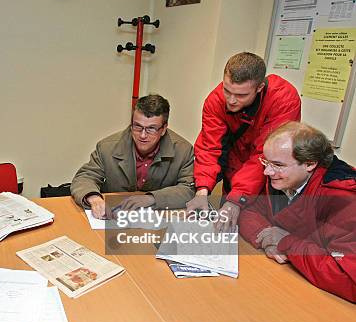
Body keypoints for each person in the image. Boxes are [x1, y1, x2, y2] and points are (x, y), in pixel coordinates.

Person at [239, 122, 355, 302]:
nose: (267, 171)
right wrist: (268, 239)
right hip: (290, 281)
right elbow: (247, 211)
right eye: (266, 161)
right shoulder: (284, 178)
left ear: (309, 164)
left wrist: (286, 242)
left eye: (277, 164)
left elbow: (347, 279)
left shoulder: (343, 200)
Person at [186, 52, 301, 231]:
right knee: (227, 231)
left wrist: (236, 200)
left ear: (259, 87)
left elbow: (265, 156)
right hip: (234, 176)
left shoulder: (284, 100)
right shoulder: (216, 100)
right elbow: (209, 147)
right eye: (227, 90)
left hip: (269, 182)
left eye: (241, 95)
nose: (231, 100)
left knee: (264, 235)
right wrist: (202, 191)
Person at [71, 94, 195, 219]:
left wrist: (151, 198)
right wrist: (94, 199)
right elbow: (85, 177)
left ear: (163, 129)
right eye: (137, 126)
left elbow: (188, 189)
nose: (142, 135)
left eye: (151, 129)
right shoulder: (107, 147)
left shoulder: (183, 150)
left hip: (158, 219)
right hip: (114, 216)